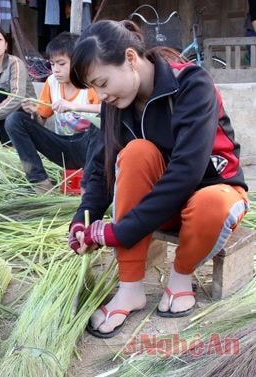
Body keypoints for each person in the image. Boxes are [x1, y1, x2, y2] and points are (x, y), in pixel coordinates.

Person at [66, 20, 249, 338]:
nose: (100, 95)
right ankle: (130, 287)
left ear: (131, 59)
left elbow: (185, 173)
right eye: (94, 88)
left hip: (209, 194)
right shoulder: (116, 103)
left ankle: (181, 274)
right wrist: (84, 220)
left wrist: (116, 232)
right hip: (161, 207)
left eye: (102, 82)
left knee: (214, 202)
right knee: (135, 153)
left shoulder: (191, 83)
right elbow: (100, 168)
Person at [5, 32, 101, 194]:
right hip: (62, 147)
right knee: (14, 120)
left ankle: (88, 188)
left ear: (77, 61)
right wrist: (34, 113)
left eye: (61, 64)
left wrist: (73, 106)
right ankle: (40, 182)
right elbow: (40, 122)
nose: (55, 70)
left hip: (88, 148)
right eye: (52, 64)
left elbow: (105, 110)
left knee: (101, 128)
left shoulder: (89, 82)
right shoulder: (52, 82)